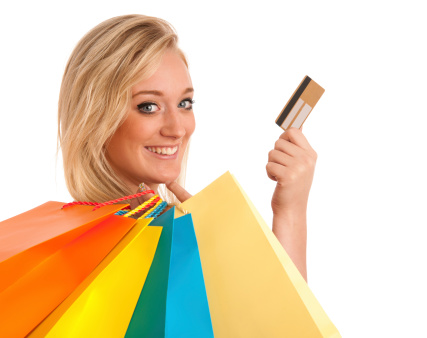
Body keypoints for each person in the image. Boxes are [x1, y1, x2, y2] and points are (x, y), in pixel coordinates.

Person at [58, 14, 317, 281]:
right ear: (94, 118)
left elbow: (283, 318)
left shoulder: (179, 235)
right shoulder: (89, 253)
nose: (177, 129)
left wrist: (290, 210)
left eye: (184, 103)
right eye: (148, 106)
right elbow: (278, 322)